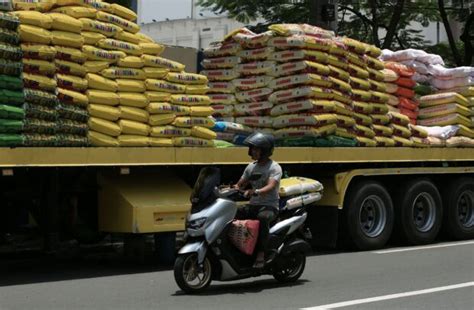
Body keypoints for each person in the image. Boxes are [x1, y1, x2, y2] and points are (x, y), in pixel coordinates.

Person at [234, 132, 282, 268]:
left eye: (256, 149)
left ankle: (261, 253)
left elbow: (271, 185)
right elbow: (240, 184)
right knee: (232, 213)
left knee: (262, 218)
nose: (252, 151)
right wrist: (229, 189)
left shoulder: (274, 167)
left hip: (269, 206)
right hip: (253, 205)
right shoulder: (251, 167)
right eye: (252, 149)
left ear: (265, 151)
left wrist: (256, 191)